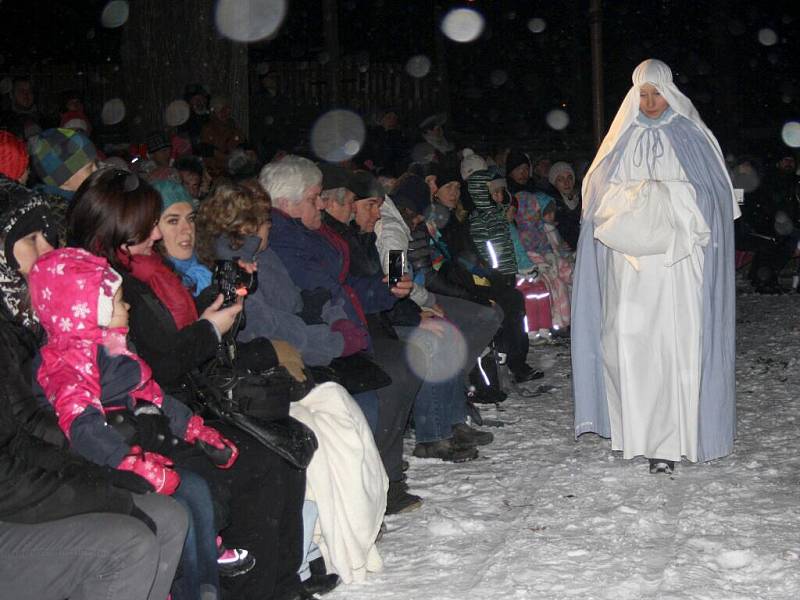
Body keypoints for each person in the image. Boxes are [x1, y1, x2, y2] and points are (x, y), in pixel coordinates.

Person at [67, 168, 307, 600]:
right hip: (148, 421)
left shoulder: (147, 272)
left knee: (282, 450)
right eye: (152, 224)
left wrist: (221, 302)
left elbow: (175, 341)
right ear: (118, 228)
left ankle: (282, 586)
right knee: (258, 464)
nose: (158, 234)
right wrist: (210, 329)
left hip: (176, 408)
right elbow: (156, 366)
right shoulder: (106, 286)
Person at [0, 174, 188, 600]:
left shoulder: (24, 315)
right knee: (131, 541)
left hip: (29, 477)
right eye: (31, 239)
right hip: (11, 500)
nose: (49, 251)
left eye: (49, 236)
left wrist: (109, 463)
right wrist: (98, 485)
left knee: (168, 515)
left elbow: (25, 431)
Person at [572, 58, 738, 474]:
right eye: (642, 94)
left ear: (670, 92)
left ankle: (671, 438)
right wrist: (636, 199)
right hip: (628, 269)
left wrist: (663, 199)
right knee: (628, 343)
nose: (649, 102)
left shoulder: (692, 136)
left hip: (676, 267)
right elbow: (595, 197)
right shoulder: (620, 138)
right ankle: (637, 432)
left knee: (672, 345)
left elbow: (715, 197)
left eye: (656, 92)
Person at [547, 161, 582, 250]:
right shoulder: (551, 205)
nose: (566, 183)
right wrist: (557, 243)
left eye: (569, 178)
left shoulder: (584, 199)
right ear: (554, 182)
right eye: (560, 179)